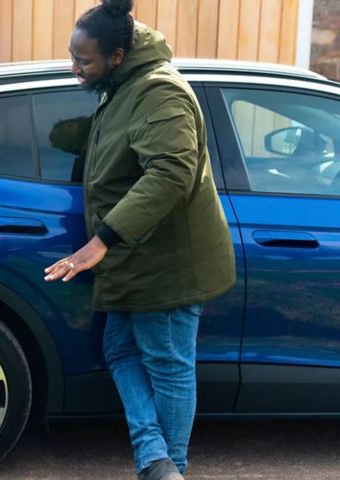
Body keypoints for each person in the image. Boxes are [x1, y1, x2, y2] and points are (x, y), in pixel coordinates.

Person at [43, 1, 236, 479]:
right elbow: (128, 146)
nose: (75, 69)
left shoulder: (158, 91)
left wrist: (101, 240)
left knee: (168, 365)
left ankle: (170, 468)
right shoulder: (123, 85)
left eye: (83, 61)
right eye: (72, 57)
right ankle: (156, 460)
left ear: (117, 54)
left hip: (167, 260)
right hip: (137, 258)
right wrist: (78, 137)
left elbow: (171, 171)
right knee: (120, 350)